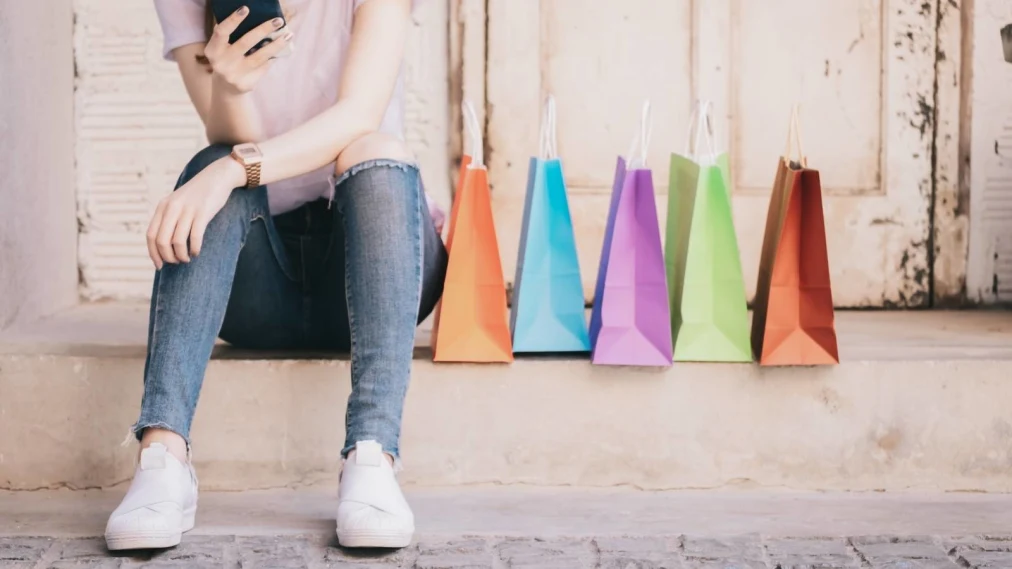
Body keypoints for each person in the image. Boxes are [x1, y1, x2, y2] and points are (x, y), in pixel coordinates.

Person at [104, 0, 447, 551]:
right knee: (213, 160)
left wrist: (234, 169)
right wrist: (232, 90)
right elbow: (227, 136)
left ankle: (372, 453)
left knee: (375, 149)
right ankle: (162, 457)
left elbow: (359, 112)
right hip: (258, 281)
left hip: (371, 263)